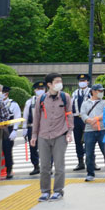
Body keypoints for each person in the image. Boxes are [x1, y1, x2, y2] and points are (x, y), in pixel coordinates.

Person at [31, 73, 73, 202]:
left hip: (60, 134)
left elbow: (69, 115)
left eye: (60, 81)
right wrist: (34, 135)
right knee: (44, 166)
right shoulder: (41, 98)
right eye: (57, 81)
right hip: (43, 135)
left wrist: (69, 132)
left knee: (59, 166)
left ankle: (58, 191)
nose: (60, 83)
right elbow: (36, 117)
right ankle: (44, 191)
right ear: (49, 84)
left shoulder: (65, 97)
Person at [80, 84, 105, 182]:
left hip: (102, 129)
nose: (101, 93)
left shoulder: (104, 102)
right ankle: (90, 173)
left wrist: (96, 119)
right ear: (94, 91)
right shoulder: (85, 103)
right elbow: (82, 114)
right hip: (89, 130)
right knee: (89, 153)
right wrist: (89, 121)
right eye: (100, 91)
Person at [22, 81, 46, 175]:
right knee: (33, 148)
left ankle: (47, 167)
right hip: (32, 127)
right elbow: (25, 115)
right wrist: (24, 129)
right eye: (38, 89)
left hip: (46, 127)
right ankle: (36, 166)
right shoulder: (30, 101)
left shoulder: (50, 99)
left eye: (42, 89)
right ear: (35, 90)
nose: (40, 91)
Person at [71, 74, 91, 171]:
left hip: (87, 119)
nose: (82, 82)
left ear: (88, 81)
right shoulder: (75, 92)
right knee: (78, 141)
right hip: (76, 119)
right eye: (80, 80)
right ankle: (80, 162)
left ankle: (91, 162)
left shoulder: (91, 92)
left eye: (84, 80)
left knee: (89, 140)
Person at [0, 86, 21, 180]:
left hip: (8, 130)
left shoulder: (13, 104)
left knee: (7, 152)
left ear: (6, 93)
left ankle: (9, 171)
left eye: (2, 92)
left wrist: (15, 130)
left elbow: (17, 118)